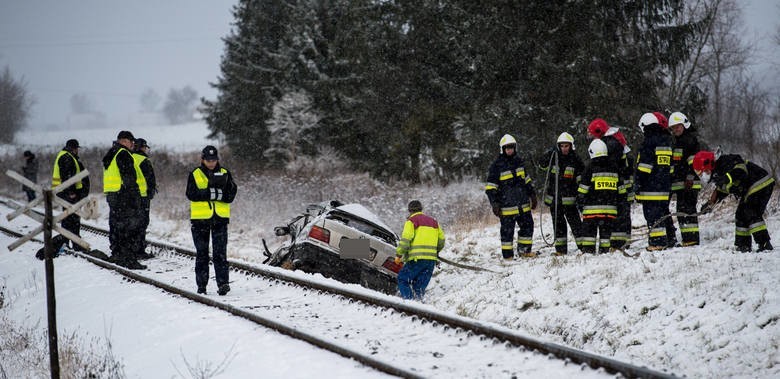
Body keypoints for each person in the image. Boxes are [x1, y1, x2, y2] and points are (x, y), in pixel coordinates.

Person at [693, 151, 775, 252]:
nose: (703, 175)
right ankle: (743, 246)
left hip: (761, 182)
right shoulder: (717, 175)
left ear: (709, 164)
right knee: (740, 214)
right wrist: (710, 204)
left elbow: (741, 171)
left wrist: (727, 178)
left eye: (704, 171)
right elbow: (721, 190)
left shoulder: (726, 161)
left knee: (750, 211)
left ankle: (765, 244)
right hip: (750, 189)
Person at [186, 145, 237, 295]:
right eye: (208, 160)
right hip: (200, 220)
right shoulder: (195, 174)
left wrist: (219, 194)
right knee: (202, 254)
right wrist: (210, 192)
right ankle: (202, 286)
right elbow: (190, 194)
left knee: (220, 253)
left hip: (220, 220)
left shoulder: (225, 173)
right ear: (202, 159)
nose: (211, 162)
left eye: (213, 160)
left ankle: (223, 284)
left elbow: (231, 194)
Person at [485, 134, 538, 261]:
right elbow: (491, 188)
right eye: (507, 148)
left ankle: (524, 251)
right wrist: (495, 204)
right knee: (507, 232)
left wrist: (532, 195)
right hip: (506, 207)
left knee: (528, 226)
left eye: (511, 148)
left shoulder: (519, 162)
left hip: (523, 205)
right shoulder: (496, 166)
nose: (509, 150)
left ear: (515, 148)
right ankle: (508, 256)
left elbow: (527, 181)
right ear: (502, 149)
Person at [587, 119, 633, 249]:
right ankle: (623, 241)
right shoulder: (616, 140)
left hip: (620, 183)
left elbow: (610, 166)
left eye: (592, 134)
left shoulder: (610, 144)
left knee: (619, 214)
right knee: (623, 213)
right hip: (623, 182)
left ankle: (619, 243)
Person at [102, 131, 145, 270]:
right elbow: (129, 177)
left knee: (117, 226)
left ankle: (118, 254)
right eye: (131, 141)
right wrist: (135, 196)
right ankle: (129, 259)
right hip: (124, 196)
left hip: (113, 195)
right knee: (129, 228)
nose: (133, 144)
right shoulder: (123, 154)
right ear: (124, 141)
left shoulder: (111, 153)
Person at [538, 132, 584, 255]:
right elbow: (541, 165)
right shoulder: (554, 158)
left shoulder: (575, 160)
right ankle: (561, 251)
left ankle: (584, 247)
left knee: (576, 225)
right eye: (562, 146)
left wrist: (581, 196)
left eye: (566, 146)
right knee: (558, 226)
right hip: (555, 200)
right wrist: (550, 153)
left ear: (571, 146)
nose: (564, 149)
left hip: (570, 200)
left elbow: (581, 178)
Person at [635, 112, 675, 251]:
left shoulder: (649, 143)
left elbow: (645, 167)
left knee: (653, 216)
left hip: (650, 188)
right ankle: (670, 239)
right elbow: (670, 168)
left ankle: (657, 243)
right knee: (664, 214)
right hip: (664, 187)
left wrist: (638, 183)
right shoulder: (667, 142)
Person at [576, 139, 621, 254]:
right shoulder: (614, 167)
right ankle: (604, 252)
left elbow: (583, 189)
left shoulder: (589, 168)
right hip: (609, 212)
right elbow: (621, 190)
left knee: (589, 236)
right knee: (605, 236)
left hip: (591, 212)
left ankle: (588, 252)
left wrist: (580, 204)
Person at [395, 200, 445, 300]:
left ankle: (409, 304)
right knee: (419, 288)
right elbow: (441, 240)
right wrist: (435, 252)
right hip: (430, 261)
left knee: (403, 279)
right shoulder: (434, 222)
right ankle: (417, 307)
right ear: (421, 209)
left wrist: (399, 254)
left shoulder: (411, 221)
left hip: (416, 259)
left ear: (410, 210)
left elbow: (406, 240)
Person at [669, 112, 703, 246]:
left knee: (688, 211)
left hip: (689, 183)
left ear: (684, 125)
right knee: (682, 211)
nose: (675, 130)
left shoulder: (689, 140)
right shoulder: (677, 142)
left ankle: (692, 239)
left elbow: (694, 163)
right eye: (673, 128)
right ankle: (687, 239)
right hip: (681, 184)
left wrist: (689, 177)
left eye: (678, 126)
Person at [52, 139, 91, 248]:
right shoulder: (67, 158)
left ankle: (69, 243)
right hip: (68, 194)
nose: (77, 151)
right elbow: (68, 177)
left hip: (65, 193)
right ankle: (73, 244)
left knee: (69, 219)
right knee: (72, 219)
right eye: (76, 148)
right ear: (73, 148)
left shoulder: (66, 156)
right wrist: (71, 192)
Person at [132, 138, 157, 260]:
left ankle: (131, 248)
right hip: (143, 197)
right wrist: (151, 192)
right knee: (142, 223)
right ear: (142, 147)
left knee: (132, 223)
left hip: (130, 197)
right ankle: (139, 250)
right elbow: (150, 179)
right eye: (145, 147)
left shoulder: (129, 157)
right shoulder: (144, 160)